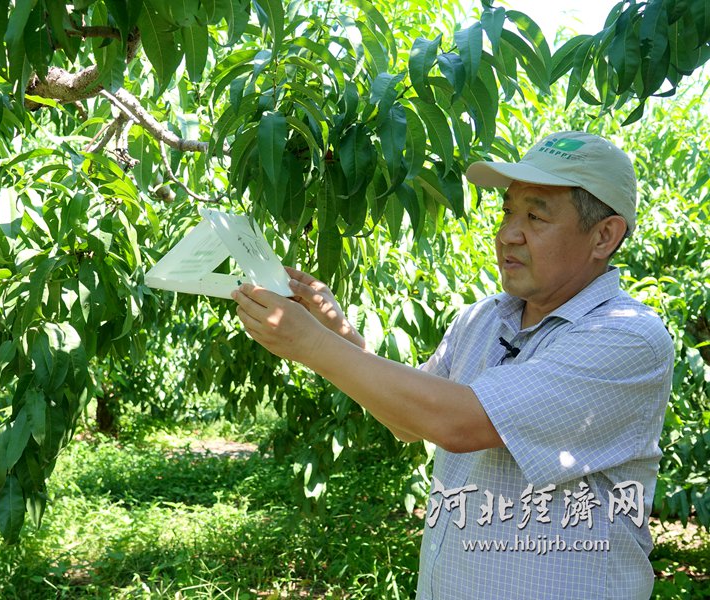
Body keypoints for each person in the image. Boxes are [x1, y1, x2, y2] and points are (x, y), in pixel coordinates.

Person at [231, 131, 674, 599]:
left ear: (604, 236)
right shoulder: (483, 318)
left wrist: (313, 344)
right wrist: (340, 335)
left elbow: (458, 422)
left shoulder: (627, 337)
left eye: (535, 216)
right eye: (507, 212)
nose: (507, 234)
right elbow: (409, 419)